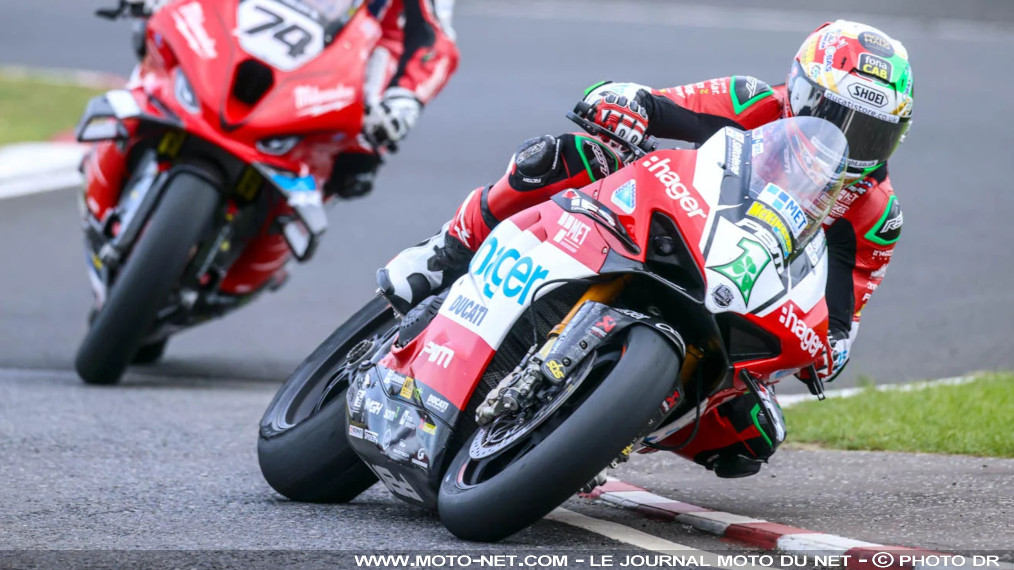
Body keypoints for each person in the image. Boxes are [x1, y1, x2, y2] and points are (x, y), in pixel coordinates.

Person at [378, 20, 913, 477]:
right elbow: (658, 105)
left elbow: (845, 311)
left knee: (752, 436)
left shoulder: (877, 212)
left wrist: (831, 345)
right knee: (568, 156)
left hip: (747, 293)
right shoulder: (754, 101)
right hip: (675, 225)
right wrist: (625, 103)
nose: (845, 141)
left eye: (870, 134)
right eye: (832, 115)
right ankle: (447, 248)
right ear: (800, 92)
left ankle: (607, 430)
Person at [127, 0, 459, 198]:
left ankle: (275, 225)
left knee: (358, 158)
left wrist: (404, 101)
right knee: (157, 37)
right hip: (244, 29)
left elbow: (435, 40)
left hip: (346, 64)